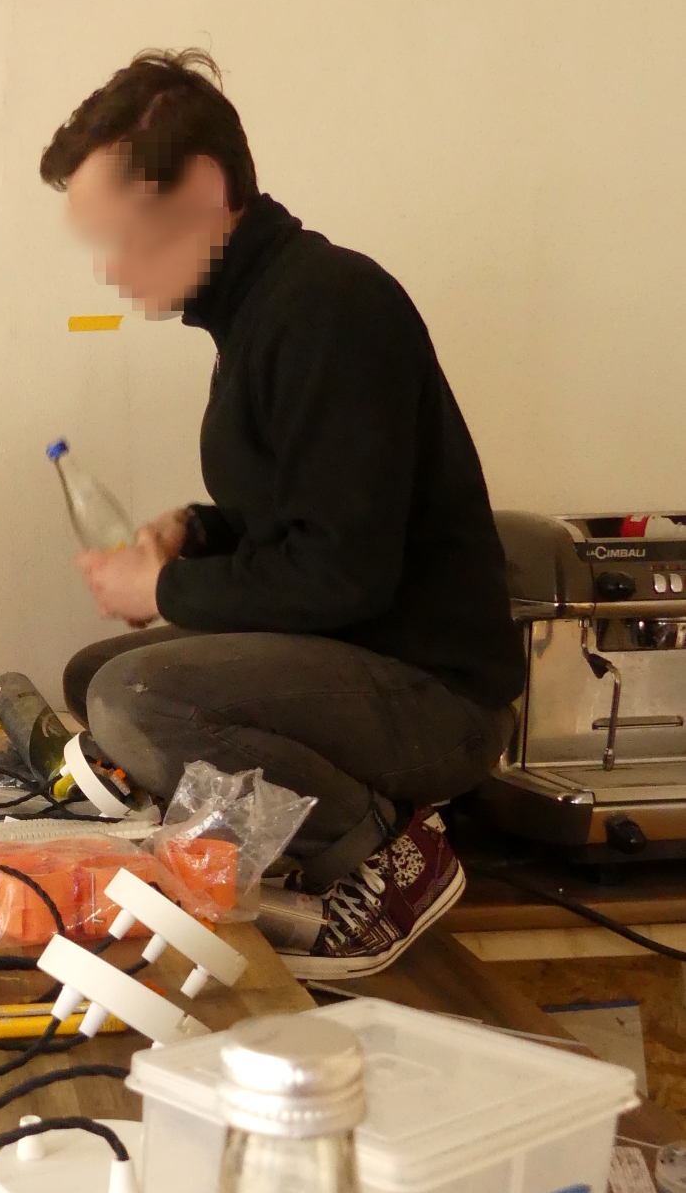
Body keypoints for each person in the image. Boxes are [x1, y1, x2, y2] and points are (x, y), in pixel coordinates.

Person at [40, 49, 525, 979]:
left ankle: (385, 855)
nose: (110, 270)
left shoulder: (329, 305)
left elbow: (343, 574)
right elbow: (305, 516)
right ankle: (278, 854)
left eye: (125, 237)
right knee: (95, 673)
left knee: (136, 697)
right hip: (358, 666)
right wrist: (200, 531)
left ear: (203, 189)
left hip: (437, 697)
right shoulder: (261, 315)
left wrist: (166, 586)